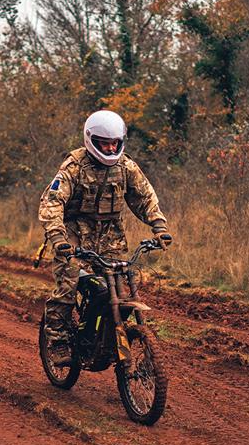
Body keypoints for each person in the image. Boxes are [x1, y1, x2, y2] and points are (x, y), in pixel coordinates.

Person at [38, 110, 173, 366]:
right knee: (68, 288)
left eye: (115, 143)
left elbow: (144, 197)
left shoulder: (126, 167)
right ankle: (58, 341)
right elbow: (52, 203)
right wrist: (58, 239)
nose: (110, 148)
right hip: (74, 237)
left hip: (110, 238)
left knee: (119, 292)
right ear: (91, 140)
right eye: (104, 143)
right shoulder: (74, 166)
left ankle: (109, 338)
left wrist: (159, 226)